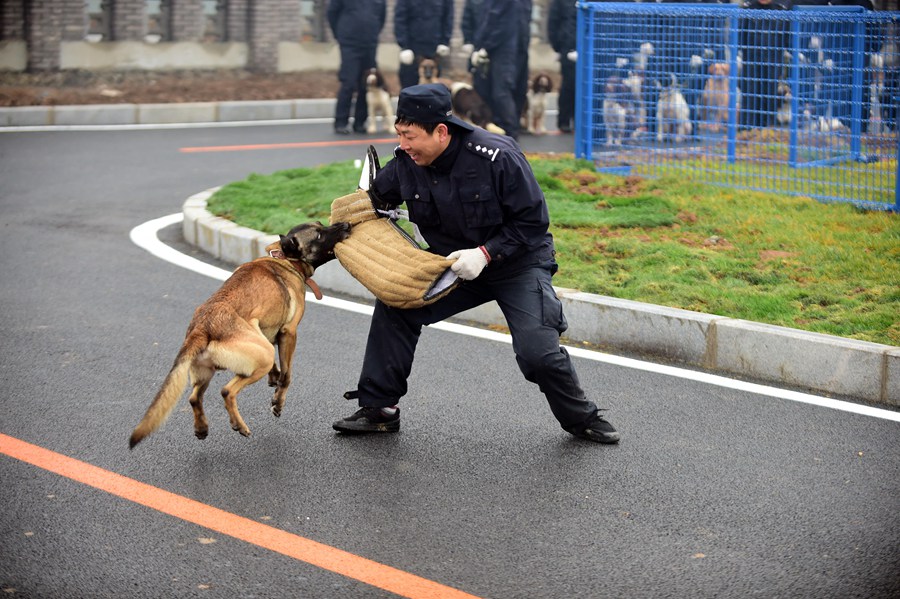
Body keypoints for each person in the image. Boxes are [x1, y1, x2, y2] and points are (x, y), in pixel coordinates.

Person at [332, 83, 620, 445]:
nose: (403, 145)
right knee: (396, 304)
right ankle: (379, 410)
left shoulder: (497, 157)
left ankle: (582, 419)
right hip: (454, 265)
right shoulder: (407, 163)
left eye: (410, 136)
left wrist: (485, 254)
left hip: (517, 263)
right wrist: (303, 251)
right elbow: (364, 208)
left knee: (537, 353)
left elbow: (533, 224)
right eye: (399, 135)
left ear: (441, 131)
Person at [470, 0, 531, 139]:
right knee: (514, 91)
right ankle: (510, 130)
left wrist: (483, 45)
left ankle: (508, 132)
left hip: (502, 47)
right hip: (519, 46)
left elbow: (492, 18)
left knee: (501, 92)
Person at [327, 0, 386, 134]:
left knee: (366, 84)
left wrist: (373, 32)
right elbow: (332, 14)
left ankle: (360, 122)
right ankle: (341, 122)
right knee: (348, 82)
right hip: (350, 43)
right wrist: (341, 35)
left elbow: (381, 17)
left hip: (370, 43)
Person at [738, 0, 792, 130]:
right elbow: (740, 35)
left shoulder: (783, 9)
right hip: (751, 59)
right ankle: (747, 130)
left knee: (769, 94)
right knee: (750, 94)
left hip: (773, 60)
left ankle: (767, 130)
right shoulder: (747, 8)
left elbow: (786, 37)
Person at [394, 0, 454, 90]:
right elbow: (400, 19)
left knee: (433, 91)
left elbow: (448, 18)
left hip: (434, 49)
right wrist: (404, 46)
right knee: (409, 88)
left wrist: (444, 42)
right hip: (413, 48)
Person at [547, 0, 577, 133]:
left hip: (588, 45)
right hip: (568, 46)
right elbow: (553, 22)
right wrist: (559, 47)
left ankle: (579, 121)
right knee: (569, 85)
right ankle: (564, 121)